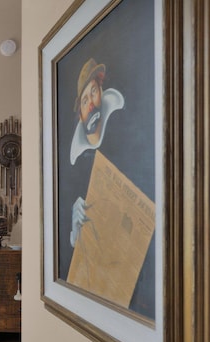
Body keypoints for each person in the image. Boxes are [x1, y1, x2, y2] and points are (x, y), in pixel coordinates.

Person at [69, 58, 124, 246]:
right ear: (81, 115)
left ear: (101, 91)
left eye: (93, 91)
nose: (91, 102)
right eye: (84, 101)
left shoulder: (121, 134)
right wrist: (74, 233)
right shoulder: (76, 168)